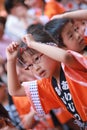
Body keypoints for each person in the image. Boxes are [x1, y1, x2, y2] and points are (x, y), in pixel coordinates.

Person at [6, 23, 87, 130]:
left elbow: (65, 57)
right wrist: (11, 60)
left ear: (50, 47)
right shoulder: (48, 84)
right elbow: (14, 91)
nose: (36, 68)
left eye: (36, 59)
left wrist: (33, 44)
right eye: (30, 65)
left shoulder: (70, 66)